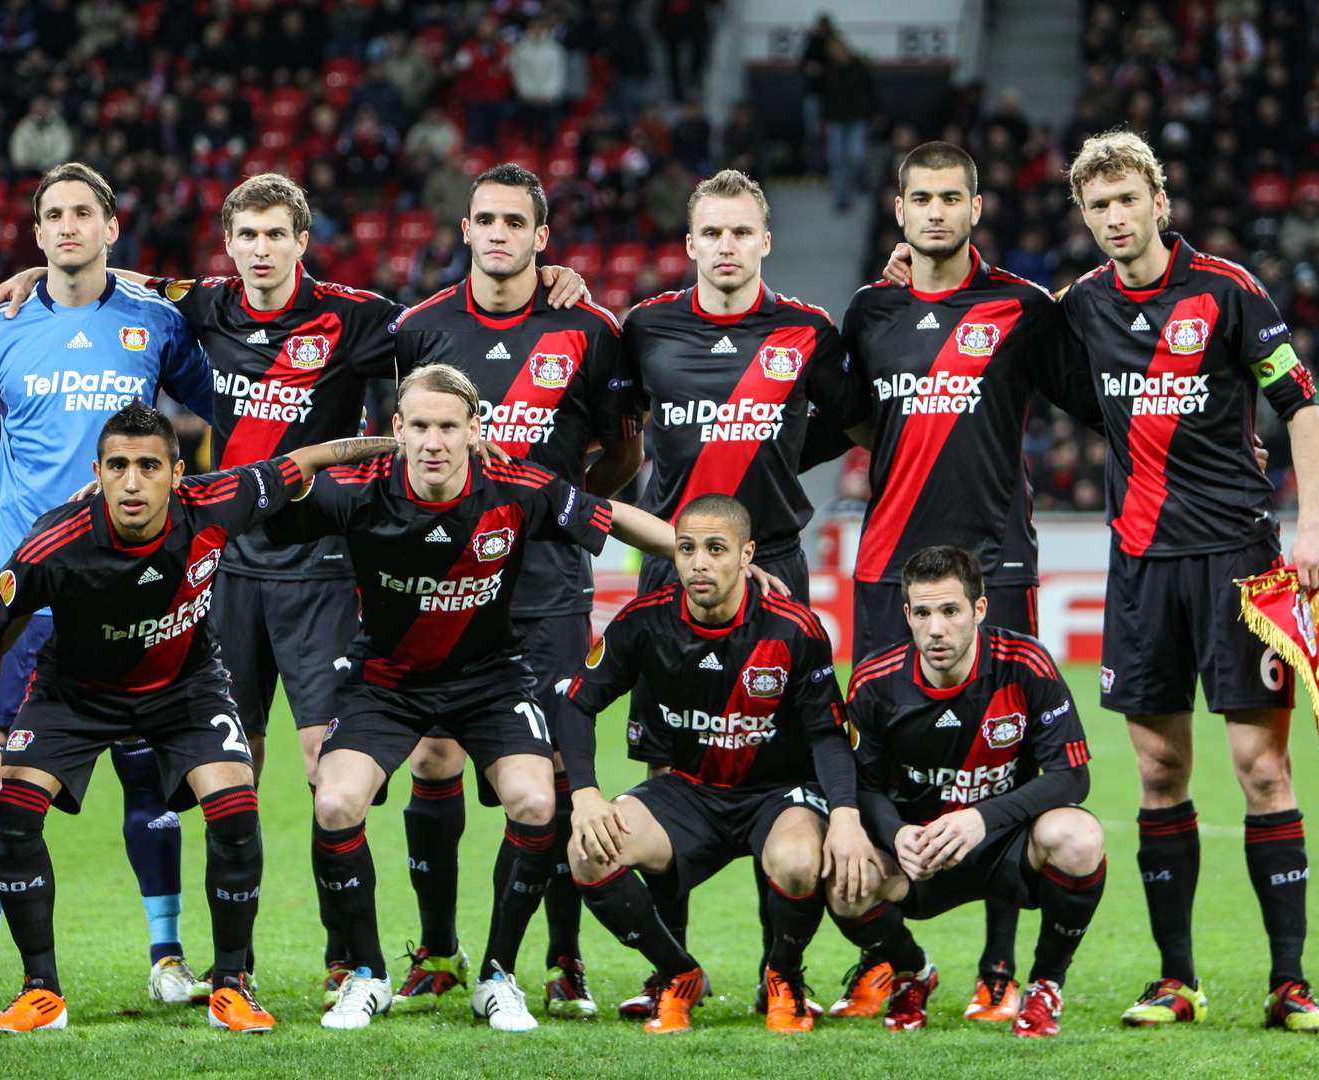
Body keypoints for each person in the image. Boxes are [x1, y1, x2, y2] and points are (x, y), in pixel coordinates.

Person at [0, 170, 588, 1006]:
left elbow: (455, 337)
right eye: (247, 236)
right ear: (230, 245)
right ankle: (237, 966)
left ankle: (346, 960)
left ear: (302, 241)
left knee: (324, 763)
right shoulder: (207, 305)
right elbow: (124, 281)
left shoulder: (359, 317)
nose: (261, 250)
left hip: (320, 567)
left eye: (275, 235)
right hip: (225, 561)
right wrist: (38, 273)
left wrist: (548, 283)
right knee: (235, 767)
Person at [265, 364, 713, 1033]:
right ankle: (367, 974)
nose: (434, 441)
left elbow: (614, 517)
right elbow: (262, 509)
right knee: (334, 802)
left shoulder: (516, 486)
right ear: (397, 429)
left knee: (536, 801)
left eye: (448, 426)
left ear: (475, 430)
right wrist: (317, 457)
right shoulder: (358, 489)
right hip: (386, 682)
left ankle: (498, 977)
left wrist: (701, 556)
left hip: (491, 680)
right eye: (419, 426)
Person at [0, 403, 396, 1034]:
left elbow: (308, 459)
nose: (131, 482)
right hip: (76, 693)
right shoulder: (56, 540)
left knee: (235, 808)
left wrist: (403, 445)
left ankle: (231, 986)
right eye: (117, 466)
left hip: (185, 688)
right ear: (97, 473)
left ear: (176, 472)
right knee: (15, 810)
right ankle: (41, 992)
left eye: (148, 466)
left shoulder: (218, 501)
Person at [0, 161, 221, 1006]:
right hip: (26, 592)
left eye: (85, 212)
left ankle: (167, 959)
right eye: (55, 214)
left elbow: (225, 408)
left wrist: (212, 510)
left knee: (147, 777)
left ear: (111, 227)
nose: (70, 225)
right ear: (38, 232)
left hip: (135, 589)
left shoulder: (154, 320)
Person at [819, 140, 1104, 1024]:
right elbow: (851, 419)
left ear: (976, 209)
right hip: (887, 566)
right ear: (899, 210)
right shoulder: (869, 310)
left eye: (952, 198)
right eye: (922, 198)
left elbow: (1101, 403)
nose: (936, 211)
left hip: (996, 565)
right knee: (877, 751)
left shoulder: (1023, 308)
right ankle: (891, 961)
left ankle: (999, 966)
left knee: (1002, 755)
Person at [1057, 130, 1319, 1033]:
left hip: (1239, 561)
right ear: (1085, 216)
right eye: (1098, 206)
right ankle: (1176, 980)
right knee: (1159, 768)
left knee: (1262, 768)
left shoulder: (1227, 290)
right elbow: (1000, 325)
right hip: (1140, 564)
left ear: (1159, 201)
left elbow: (1301, 407)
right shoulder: (1082, 306)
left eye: (1126, 200)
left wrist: (1313, 527)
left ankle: (1289, 982)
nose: (1114, 218)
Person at [388, 163, 640, 1018]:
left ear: (541, 236)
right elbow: (398, 450)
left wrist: (555, 512)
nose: (497, 233)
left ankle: (563, 958)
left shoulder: (589, 329)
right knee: (434, 758)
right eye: (484, 220)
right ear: (465, 230)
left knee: (558, 771)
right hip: (441, 586)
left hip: (546, 589)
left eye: (514, 222)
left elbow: (624, 453)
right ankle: (438, 950)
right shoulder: (420, 328)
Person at [617, 167, 854, 1018]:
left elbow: (852, 420)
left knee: (782, 760)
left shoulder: (806, 331)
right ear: (690, 244)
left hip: (776, 565)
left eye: (741, 232)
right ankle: (672, 971)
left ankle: (778, 973)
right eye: (711, 233)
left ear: (765, 241)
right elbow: (615, 428)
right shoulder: (645, 327)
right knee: (665, 759)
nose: (726, 246)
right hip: (671, 566)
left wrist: (779, 456)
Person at [555, 494, 877, 1035]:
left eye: (715, 549)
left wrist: (844, 814)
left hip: (776, 795)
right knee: (588, 851)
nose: (699, 563)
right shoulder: (645, 621)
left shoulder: (793, 628)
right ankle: (679, 973)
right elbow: (576, 704)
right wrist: (585, 793)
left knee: (798, 862)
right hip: (690, 792)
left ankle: (784, 978)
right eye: (686, 549)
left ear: (747, 555)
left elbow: (827, 734)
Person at [843, 545, 1106, 1038]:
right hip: (919, 853)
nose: (936, 629)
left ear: (979, 609)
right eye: (923, 613)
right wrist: (895, 833)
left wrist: (981, 818)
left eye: (950, 611)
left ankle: (1046, 984)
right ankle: (911, 971)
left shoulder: (1025, 663)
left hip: (1007, 847)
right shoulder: (875, 681)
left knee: (1079, 837)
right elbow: (863, 786)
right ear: (907, 614)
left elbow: (1073, 776)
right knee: (843, 872)